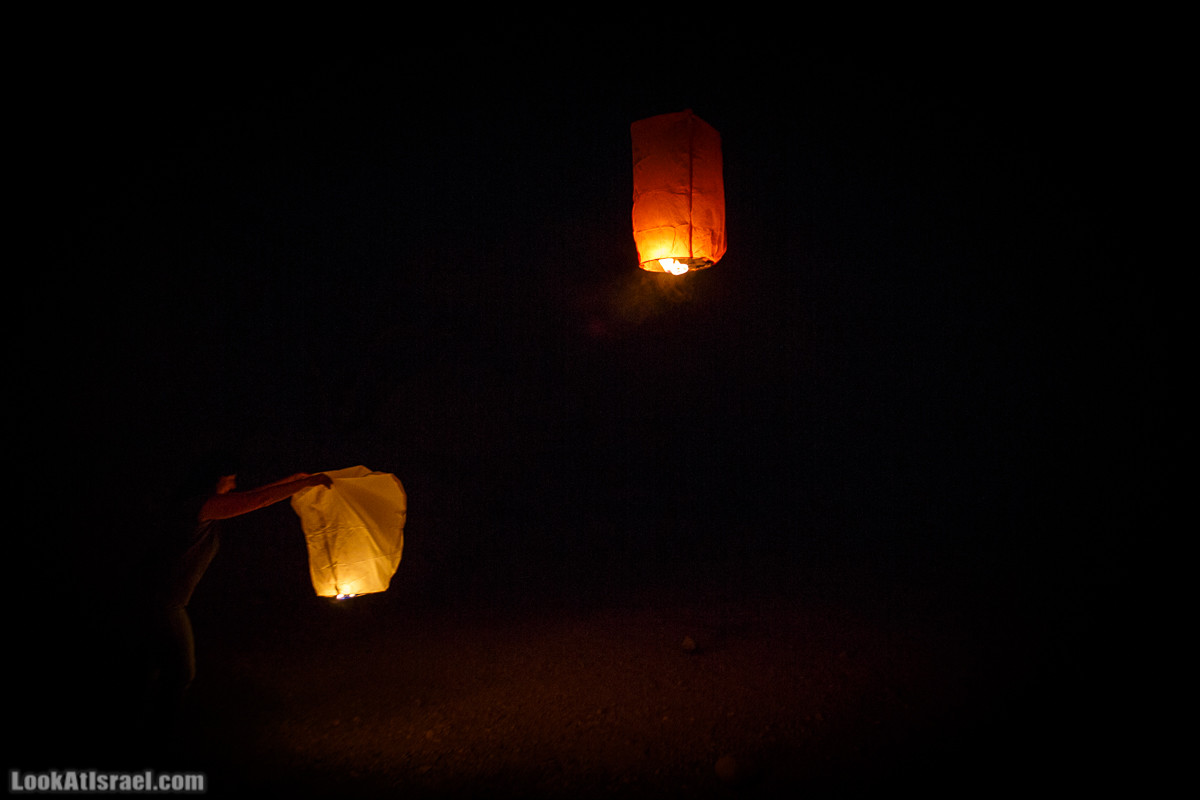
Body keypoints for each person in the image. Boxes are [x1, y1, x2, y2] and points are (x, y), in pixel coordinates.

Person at [141, 453, 332, 749]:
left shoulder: (202, 504)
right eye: (230, 479)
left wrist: (293, 481)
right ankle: (158, 738)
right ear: (215, 478)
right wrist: (306, 483)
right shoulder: (201, 506)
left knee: (154, 667)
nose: (233, 484)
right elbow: (255, 502)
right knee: (182, 671)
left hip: (160, 600)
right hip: (161, 602)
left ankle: (145, 731)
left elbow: (251, 496)